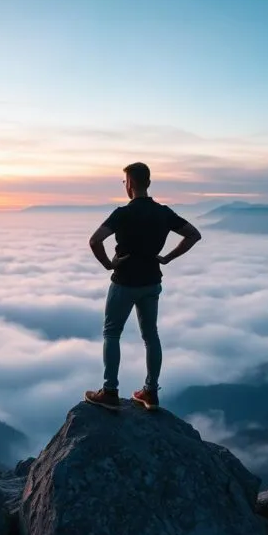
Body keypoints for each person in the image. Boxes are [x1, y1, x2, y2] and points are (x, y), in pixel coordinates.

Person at [85, 162, 202, 411]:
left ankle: (110, 391)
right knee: (151, 336)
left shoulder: (122, 214)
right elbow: (193, 234)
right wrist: (168, 257)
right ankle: (150, 392)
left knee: (112, 333)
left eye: (124, 181)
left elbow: (95, 240)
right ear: (148, 183)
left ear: (129, 184)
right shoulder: (163, 213)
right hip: (151, 282)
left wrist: (108, 264)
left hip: (124, 282)